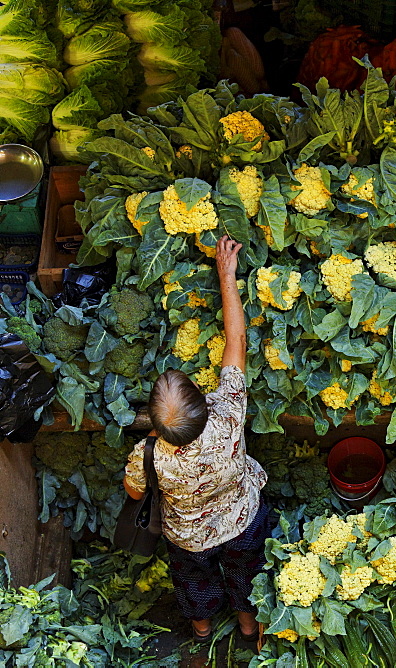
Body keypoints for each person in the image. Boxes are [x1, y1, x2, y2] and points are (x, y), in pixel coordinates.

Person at [123, 236, 269, 643]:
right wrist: (227, 274)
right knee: (246, 572)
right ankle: (247, 624)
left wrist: (152, 445)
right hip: (242, 520)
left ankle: (202, 629)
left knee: (194, 582)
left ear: (155, 424)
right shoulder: (227, 413)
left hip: (188, 538)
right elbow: (236, 341)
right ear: (204, 403)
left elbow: (134, 494)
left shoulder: (148, 453)